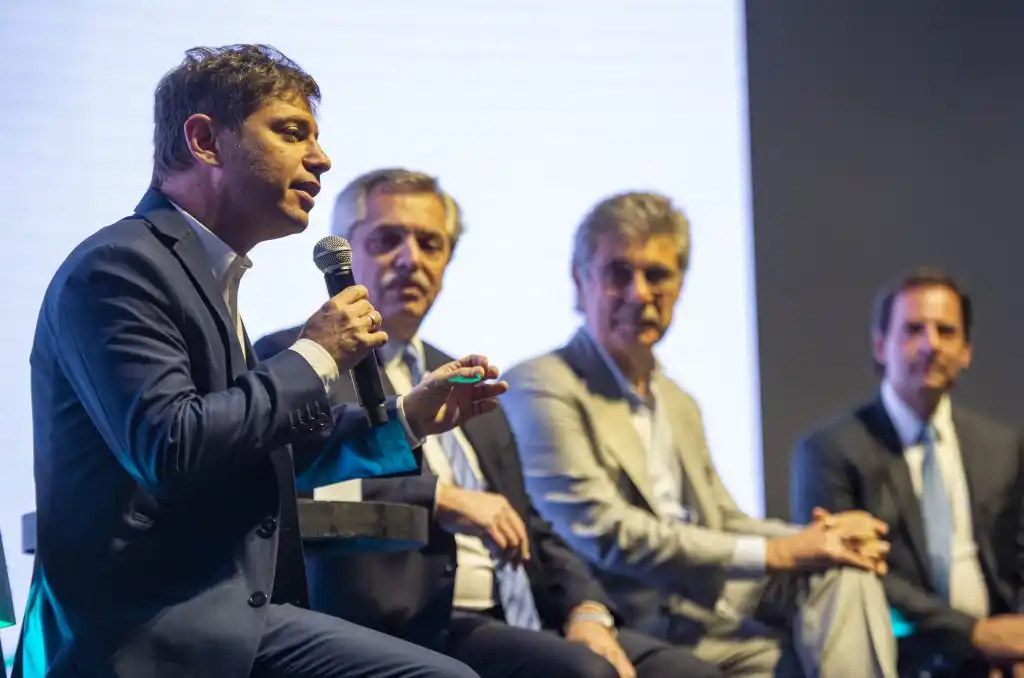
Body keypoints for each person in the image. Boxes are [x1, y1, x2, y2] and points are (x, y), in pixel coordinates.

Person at [16, 46, 502, 678]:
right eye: (291, 132)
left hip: (222, 619)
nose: (322, 159)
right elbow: (171, 446)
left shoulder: (205, 275)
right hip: (144, 632)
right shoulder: (119, 267)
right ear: (204, 141)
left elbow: (256, 447)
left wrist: (405, 419)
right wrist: (316, 353)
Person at [255, 168, 723, 678]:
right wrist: (435, 498)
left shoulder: (458, 373)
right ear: (347, 250)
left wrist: (586, 611)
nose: (412, 258)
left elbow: (530, 523)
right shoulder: (301, 362)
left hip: (522, 614)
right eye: (389, 239)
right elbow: (291, 506)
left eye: (430, 243)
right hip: (408, 623)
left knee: (689, 673)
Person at [500, 191, 899, 678]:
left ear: (680, 286)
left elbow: (723, 519)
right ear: (580, 281)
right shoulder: (542, 383)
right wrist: (779, 551)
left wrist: (823, 538)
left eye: (658, 275)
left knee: (844, 571)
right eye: (618, 273)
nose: (640, 293)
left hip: (707, 616)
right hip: (622, 619)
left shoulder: (677, 400)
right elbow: (601, 531)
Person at [790, 267, 1024, 678]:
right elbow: (854, 580)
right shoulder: (830, 451)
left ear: (966, 350)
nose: (930, 345)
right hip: (902, 658)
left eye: (946, 331)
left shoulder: (1002, 448)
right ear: (882, 346)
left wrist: (1016, 641)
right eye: (913, 329)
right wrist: (973, 636)